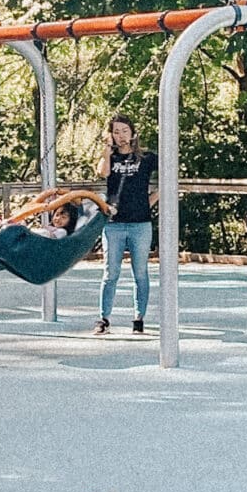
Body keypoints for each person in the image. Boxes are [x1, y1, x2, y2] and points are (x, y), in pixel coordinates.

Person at [94, 114, 158, 335]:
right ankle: (104, 318)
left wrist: (152, 200)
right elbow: (102, 172)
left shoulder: (147, 158)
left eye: (124, 131)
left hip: (140, 222)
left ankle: (139, 317)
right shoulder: (110, 157)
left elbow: (171, 174)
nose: (120, 135)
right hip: (114, 223)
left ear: (132, 133)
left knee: (140, 272)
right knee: (110, 272)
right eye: (116, 131)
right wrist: (106, 148)